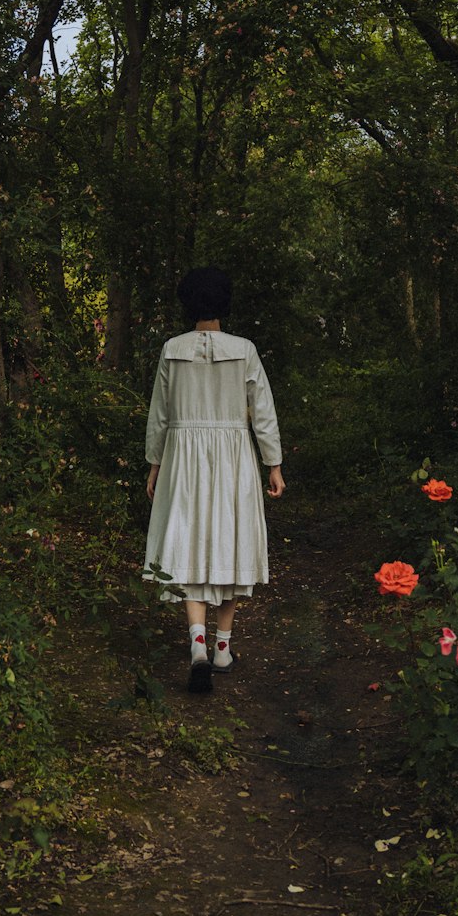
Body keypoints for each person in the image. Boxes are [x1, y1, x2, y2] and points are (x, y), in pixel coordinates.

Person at [144, 266, 284, 694]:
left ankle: (198, 646)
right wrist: (273, 463)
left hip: (184, 459)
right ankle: (223, 647)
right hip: (233, 459)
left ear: (187, 303)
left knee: (189, 543)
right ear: (225, 302)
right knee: (229, 539)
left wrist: (154, 463)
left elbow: (160, 415)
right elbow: (262, 410)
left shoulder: (172, 350)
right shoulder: (244, 350)